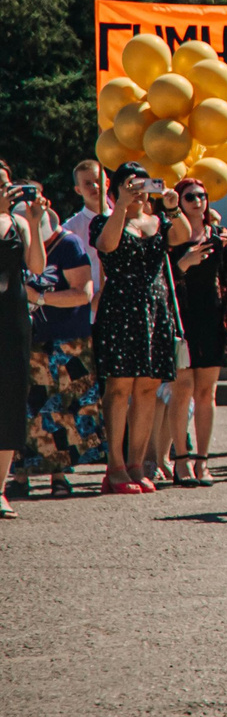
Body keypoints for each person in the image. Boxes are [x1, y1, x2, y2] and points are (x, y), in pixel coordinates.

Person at [92, 163, 195, 493]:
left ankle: (137, 463)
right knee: (119, 388)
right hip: (121, 309)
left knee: (148, 388)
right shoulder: (103, 220)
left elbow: (184, 236)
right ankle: (115, 466)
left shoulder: (158, 222)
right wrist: (121, 204)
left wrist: (172, 206)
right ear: (116, 189)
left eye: (140, 183)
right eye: (128, 184)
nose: (137, 189)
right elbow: (107, 246)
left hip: (154, 308)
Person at [169, 182, 227, 487]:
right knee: (183, 389)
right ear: (177, 202)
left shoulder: (219, 237)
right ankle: (181, 461)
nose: (197, 201)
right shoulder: (171, 237)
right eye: (189, 197)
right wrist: (182, 264)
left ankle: (203, 461)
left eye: (202, 196)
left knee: (207, 392)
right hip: (181, 321)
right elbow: (159, 278)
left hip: (214, 320)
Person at [25, 199, 100, 497]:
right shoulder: (14, 245)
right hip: (28, 339)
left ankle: (60, 474)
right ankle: (19, 475)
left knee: (63, 410)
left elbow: (83, 293)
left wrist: (38, 298)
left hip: (67, 340)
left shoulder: (69, 244)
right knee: (28, 409)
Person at [0, 182, 32, 514]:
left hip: (12, 316)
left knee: (10, 396)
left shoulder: (18, 223)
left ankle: (0, 487)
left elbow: (36, 266)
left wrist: (34, 221)